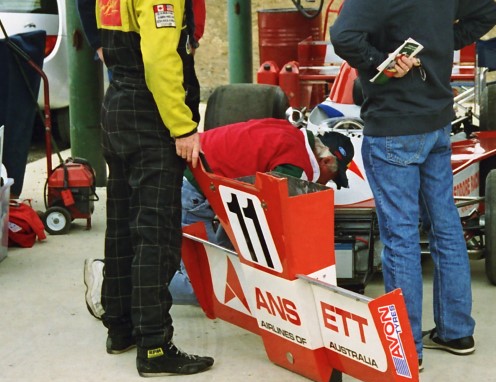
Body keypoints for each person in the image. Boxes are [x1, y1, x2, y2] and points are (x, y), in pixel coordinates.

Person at [330, 0, 496, 368]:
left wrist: (381, 63)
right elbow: (488, 12)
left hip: (393, 128)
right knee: (446, 226)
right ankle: (457, 331)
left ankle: (405, 348)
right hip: (437, 124)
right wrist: (443, 43)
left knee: (401, 235)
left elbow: (343, 36)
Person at [96, 0, 212, 377]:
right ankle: (156, 346)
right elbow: (162, 62)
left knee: (121, 224)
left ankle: (120, 326)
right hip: (149, 117)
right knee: (157, 232)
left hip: (116, 108)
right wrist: (183, 128)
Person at [84, 118, 354, 310]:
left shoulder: (287, 131)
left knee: (227, 262)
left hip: (189, 173)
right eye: (332, 177)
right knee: (206, 285)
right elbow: (267, 214)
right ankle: (112, 280)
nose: (326, 184)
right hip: (195, 189)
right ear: (326, 160)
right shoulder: (297, 166)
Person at [76, 0, 205, 120]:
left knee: (169, 99)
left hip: (164, 47)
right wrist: (99, 45)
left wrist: (192, 39)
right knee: (134, 111)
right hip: (123, 52)